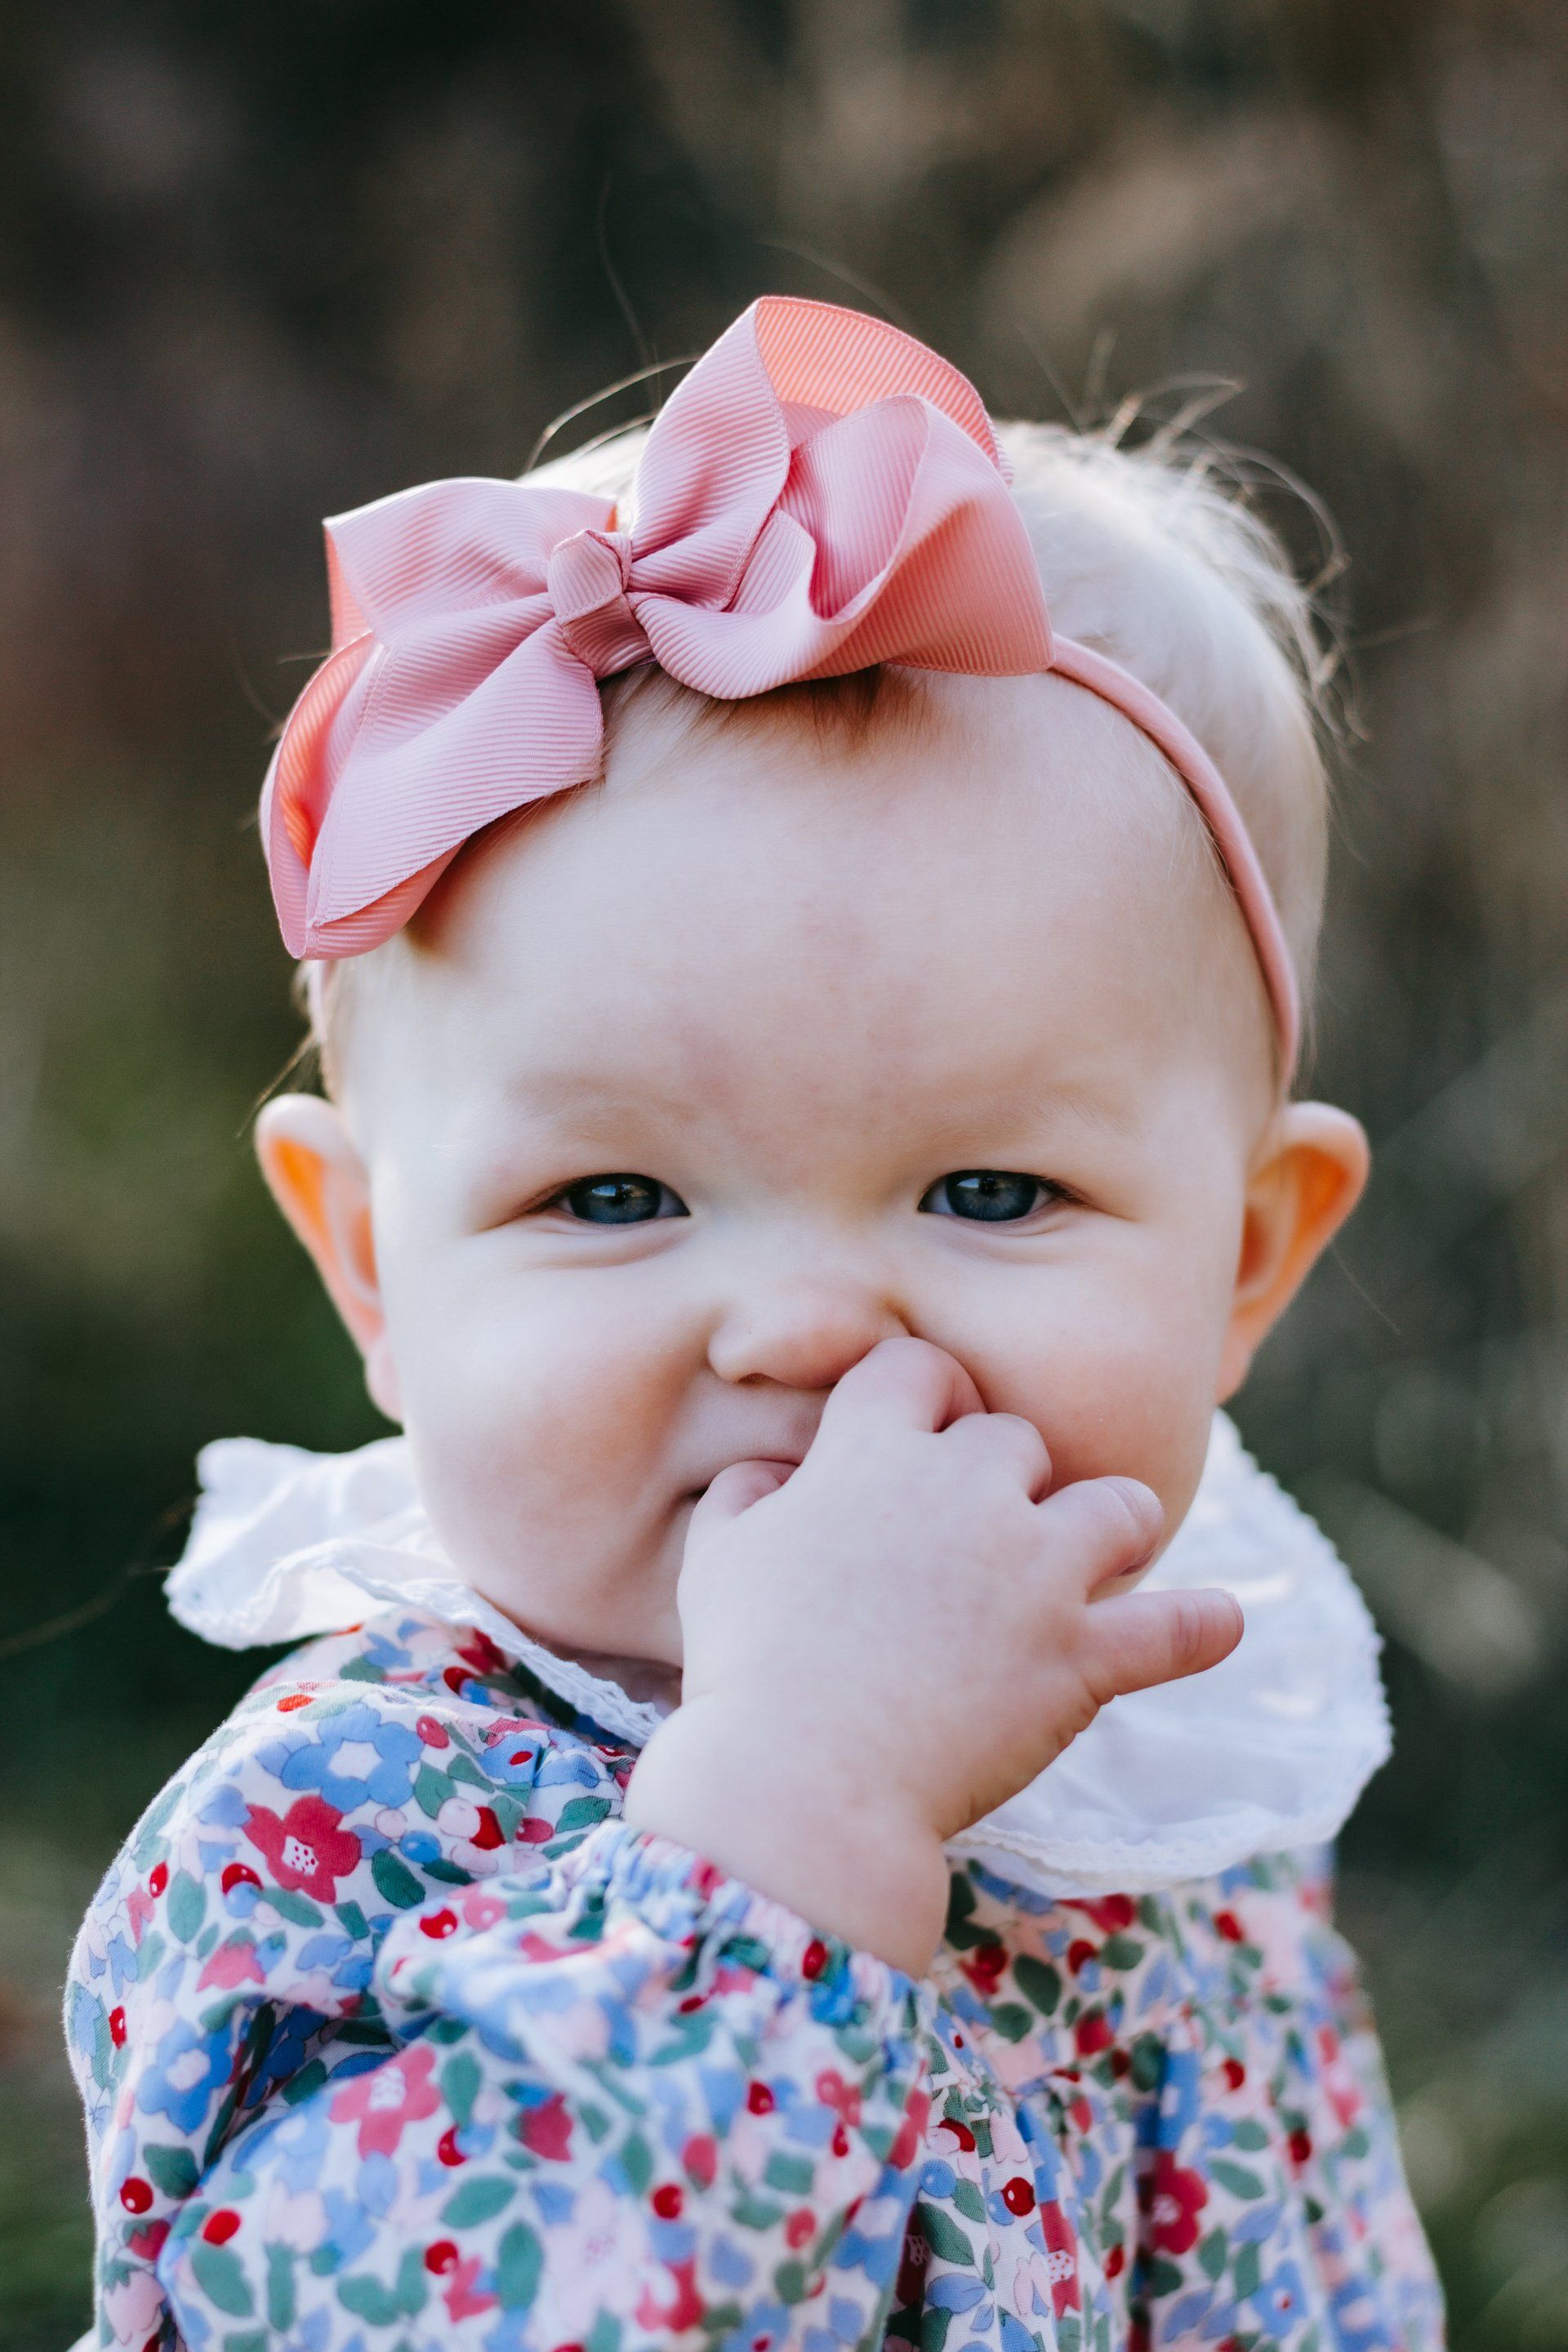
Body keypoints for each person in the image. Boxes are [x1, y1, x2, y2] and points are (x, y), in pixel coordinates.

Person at [64, 296, 1443, 2350]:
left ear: (1247, 1259)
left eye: (991, 1191)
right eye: (611, 1197)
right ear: (372, 1268)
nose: (801, 1328)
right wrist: (796, 1815)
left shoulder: (1175, 1762)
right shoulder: (348, 1817)